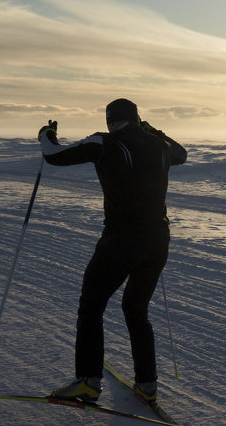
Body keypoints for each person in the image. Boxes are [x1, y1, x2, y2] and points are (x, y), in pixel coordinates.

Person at [37, 98, 187, 404]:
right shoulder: (158, 144)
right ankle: (147, 385)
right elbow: (181, 154)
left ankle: (88, 381)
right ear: (137, 118)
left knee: (92, 305)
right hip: (158, 237)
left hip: (121, 239)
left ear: (110, 120)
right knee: (136, 308)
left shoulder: (105, 141)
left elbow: (53, 156)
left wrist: (45, 135)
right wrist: (152, 129)